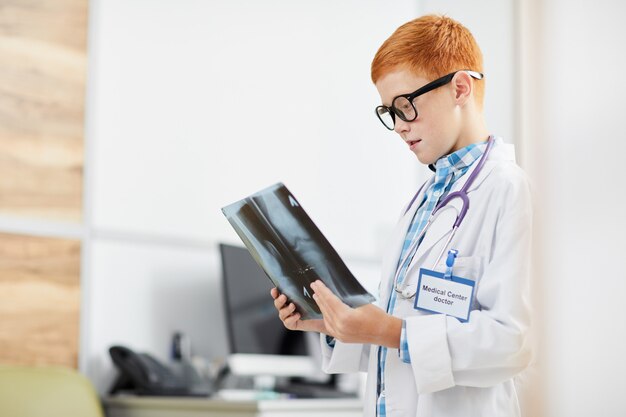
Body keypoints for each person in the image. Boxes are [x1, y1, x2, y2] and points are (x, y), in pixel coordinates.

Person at [271, 14, 532, 417]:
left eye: (405, 106)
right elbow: (400, 336)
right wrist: (332, 324)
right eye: (388, 112)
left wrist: (386, 330)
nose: (397, 126)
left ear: (460, 87)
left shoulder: (508, 190)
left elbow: (513, 342)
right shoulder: (426, 200)